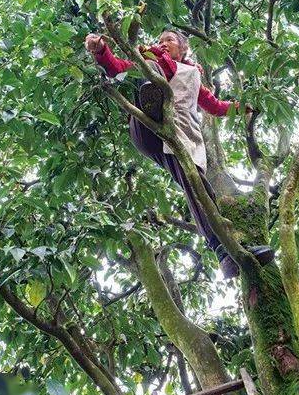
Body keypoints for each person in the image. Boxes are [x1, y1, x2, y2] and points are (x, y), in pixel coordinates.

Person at [85, 29, 274, 279]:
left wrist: (241, 108)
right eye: (160, 39)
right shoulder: (151, 57)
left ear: (183, 48)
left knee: (200, 188)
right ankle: (151, 95)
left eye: (169, 40)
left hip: (181, 134)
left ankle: (229, 253)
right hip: (148, 126)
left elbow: (215, 106)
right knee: (148, 65)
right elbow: (119, 67)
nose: (163, 43)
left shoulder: (192, 74)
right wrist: (101, 51)